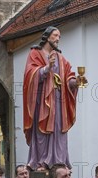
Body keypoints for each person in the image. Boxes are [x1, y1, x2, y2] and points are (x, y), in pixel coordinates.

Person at [23, 26, 86, 169]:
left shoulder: (60, 58)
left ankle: (59, 162)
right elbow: (29, 75)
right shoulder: (35, 53)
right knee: (42, 130)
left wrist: (75, 82)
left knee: (59, 130)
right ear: (47, 36)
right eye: (55, 35)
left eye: (59, 36)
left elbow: (67, 78)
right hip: (42, 100)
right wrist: (47, 68)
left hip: (58, 100)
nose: (58, 39)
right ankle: (40, 162)